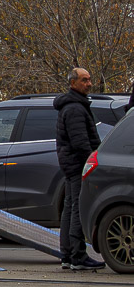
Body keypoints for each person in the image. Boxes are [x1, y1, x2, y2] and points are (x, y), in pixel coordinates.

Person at [56, 67, 105, 271]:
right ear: (73, 83)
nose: (89, 83)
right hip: (77, 164)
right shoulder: (75, 108)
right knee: (76, 207)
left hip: (70, 164)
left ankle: (67, 254)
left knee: (69, 207)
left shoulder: (74, 105)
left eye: (89, 79)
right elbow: (81, 143)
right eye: (84, 80)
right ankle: (77, 255)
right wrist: (91, 163)